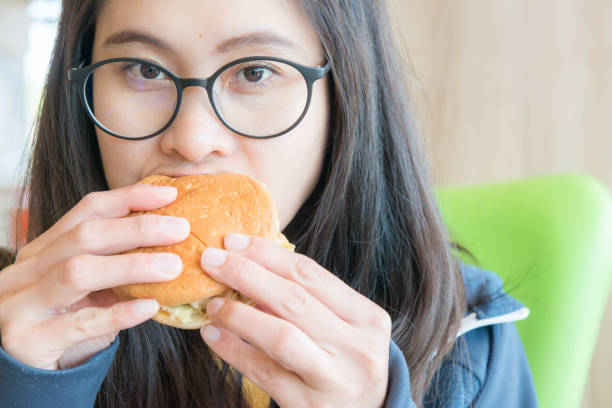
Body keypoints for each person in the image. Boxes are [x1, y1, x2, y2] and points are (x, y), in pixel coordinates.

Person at [0, 0, 538, 407]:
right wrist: (27, 389)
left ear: (345, 94)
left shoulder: (467, 342)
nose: (191, 138)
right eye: (144, 70)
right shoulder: (16, 326)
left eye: (254, 72)